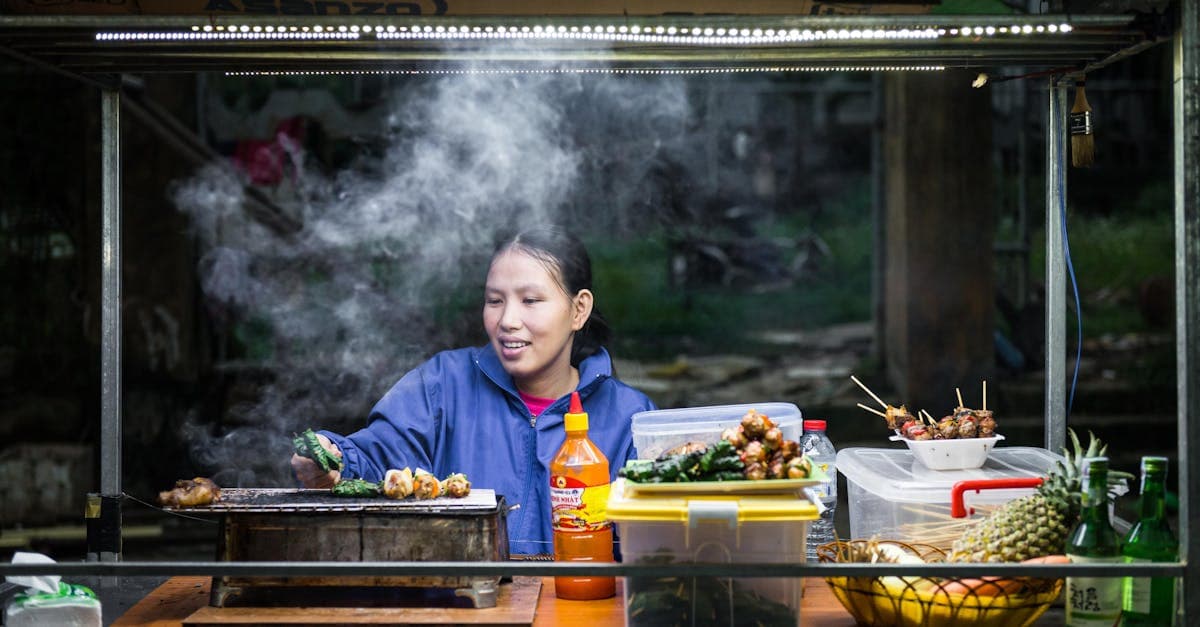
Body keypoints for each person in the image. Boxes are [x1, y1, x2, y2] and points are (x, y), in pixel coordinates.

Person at [291, 225, 657, 555]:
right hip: (461, 606)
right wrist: (336, 461)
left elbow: (653, 542)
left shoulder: (630, 417)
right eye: (495, 301)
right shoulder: (441, 385)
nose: (508, 321)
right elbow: (380, 458)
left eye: (530, 301)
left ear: (579, 310)